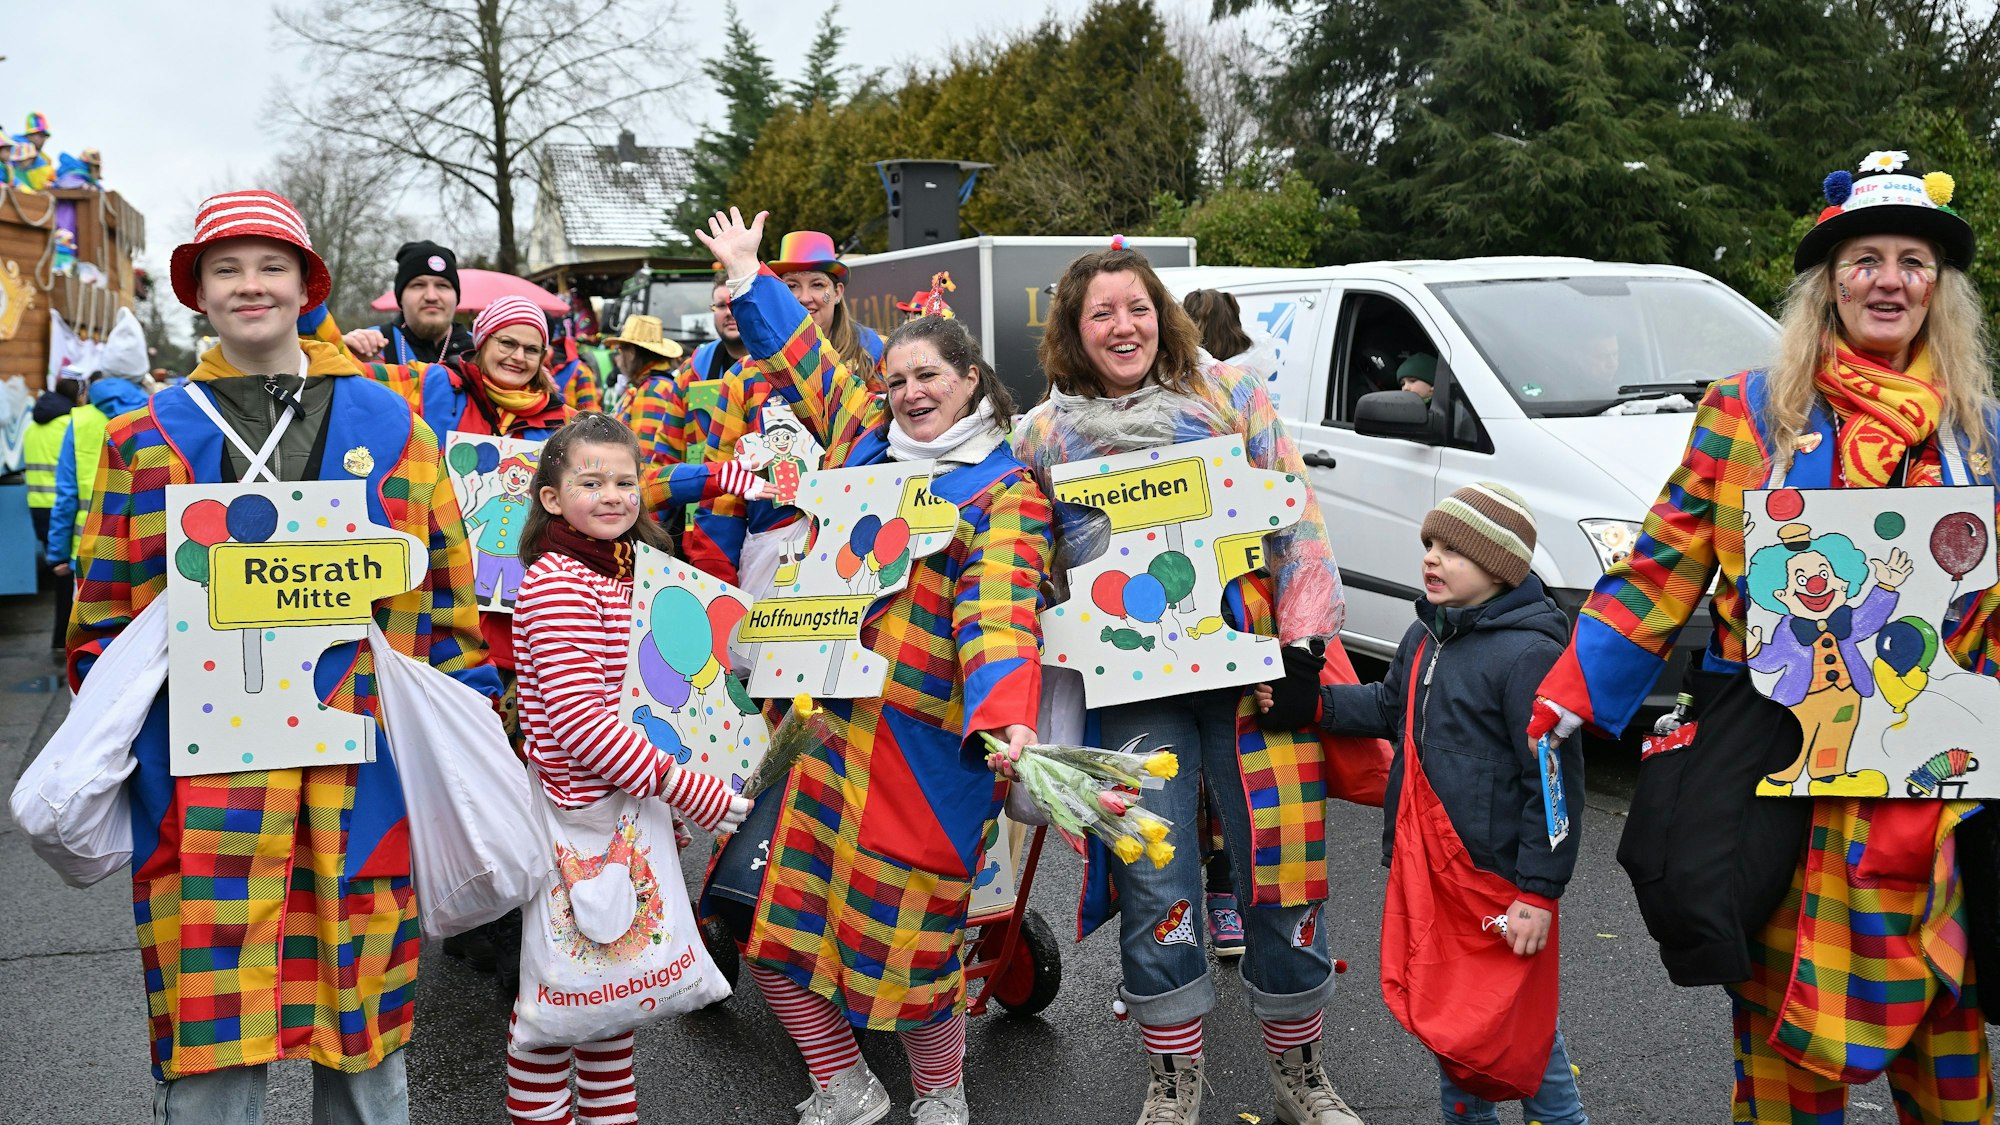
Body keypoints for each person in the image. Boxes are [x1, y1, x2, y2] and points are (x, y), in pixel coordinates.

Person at [1527, 149, 1995, 1121]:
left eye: (1911, 259)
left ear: (1936, 288)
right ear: (1827, 283)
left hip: (1935, 789)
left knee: (1946, 1060)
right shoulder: (1746, 413)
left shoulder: (1982, 433)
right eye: (1863, 258)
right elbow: (1660, 566)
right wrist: (1572, 687)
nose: (1888, 279)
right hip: (1780, 782)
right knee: (1783, 1056)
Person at [68, 188, 500, 1122]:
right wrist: (144, 737)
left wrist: (471, 735)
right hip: (208, 788)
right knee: (212, 1041)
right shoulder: (143, 438)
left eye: (272, 266)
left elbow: (451, 605)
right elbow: (100, 620)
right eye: (227, 268)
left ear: (309, 285)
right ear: (197, 292)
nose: (250, 285)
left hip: (364, 774)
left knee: (366, 1037)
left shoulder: (394, 428)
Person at [696, 208, 1051, 1125]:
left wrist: (1007, 713)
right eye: (895, 378)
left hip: (924, 756)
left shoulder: (1003, 491)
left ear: (971, 380)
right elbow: (808, 359)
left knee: (918, 951)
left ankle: (941, 1088)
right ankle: (843, 1082)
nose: (908, 392)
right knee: (775, 934)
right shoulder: (863, 443)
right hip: (824, 735)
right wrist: (746, 274)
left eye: (928, 374)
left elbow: (1001, 615)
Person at [1011, 242, 1358, 1125]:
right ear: (1072, 330)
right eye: (1100, 312)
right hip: (1129, 682)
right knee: (1154, 874)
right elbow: (1017, 554)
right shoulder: (1045, 435)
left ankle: (1300, 1073)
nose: (1120, 325)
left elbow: (1296, 514)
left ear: (1160, 315)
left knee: (1281, 862)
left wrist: (1306, 641)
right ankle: (1173, 1083)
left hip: (1253, 671)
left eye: (1135, 307)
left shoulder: (1231, 396)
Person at [1261, 482, 1587, 1125]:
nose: (1432, 559)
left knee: (1516, 1033)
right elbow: (1390, 707)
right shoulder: (1424, 636)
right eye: (1430, 545)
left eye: (1453, 551)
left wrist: (1538, 893)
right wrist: (1316, 706)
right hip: (1430, 873)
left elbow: (1552, 786)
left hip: (1496, 883)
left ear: (1499, 566)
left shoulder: (1530, 656)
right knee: (1450, 1023)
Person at [505, 412, 751, 1125]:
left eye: (624, 479)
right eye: (590, 481)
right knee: (554, 1008)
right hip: (575, 819)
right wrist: (689, 788)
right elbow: (584, 726)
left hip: (620, 812)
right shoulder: (559, 583)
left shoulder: (622, 569)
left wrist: (662, 806)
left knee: (611, 997)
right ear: (552, 499)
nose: (612, 494)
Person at [679, 235, 883, 589]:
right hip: (768, 557)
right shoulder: (744, 377)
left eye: (817, 284)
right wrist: (718, 582)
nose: (805, 298)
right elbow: (722, 487)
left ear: (837, 293)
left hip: (859, 552)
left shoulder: (876, 366)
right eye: (791, 286)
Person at [46, 368, 151, 590]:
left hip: (89, 549)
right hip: (148, 551)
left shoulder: (79, 420)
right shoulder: (158, 415)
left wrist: (57, 553)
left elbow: (67, 494)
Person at [24, 370, 83, 649]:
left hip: (37, 506)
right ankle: (66, 638)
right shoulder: (69, 424)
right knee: (68, 579)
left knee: (58, 575)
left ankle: (59, 638)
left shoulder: (32, 426)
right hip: (61, 508)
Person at [343, 240, 473, 365]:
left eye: (442, 286)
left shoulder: (482, 349)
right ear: (400, 297)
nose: (431, 296)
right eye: (418, 285)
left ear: (456, 297)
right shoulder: (372, 346)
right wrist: (342, 356)